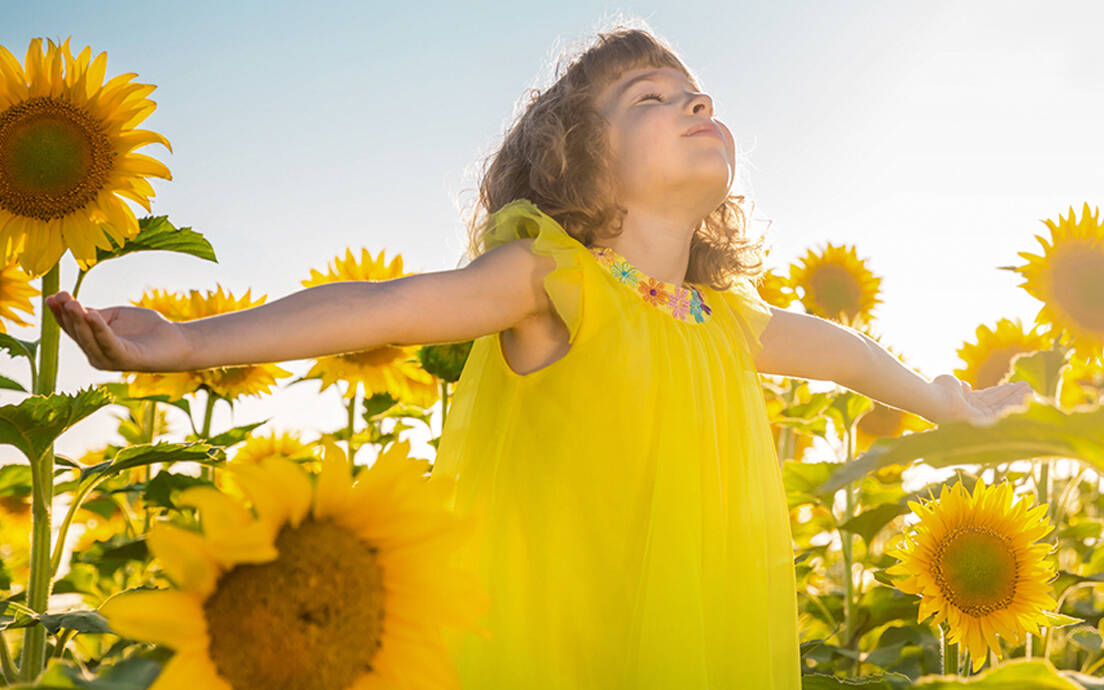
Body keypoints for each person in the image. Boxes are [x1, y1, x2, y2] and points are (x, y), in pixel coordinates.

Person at [46, 24, 1032, 690]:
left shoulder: (724, 318)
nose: (696, 105)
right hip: (554, 649)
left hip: (692, 646)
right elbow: (384, 306)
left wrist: (957, 405)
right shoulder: (552, 281)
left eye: (699, 94)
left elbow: (853, 356)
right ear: (580, 163)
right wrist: (186, 344)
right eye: (653, 98)